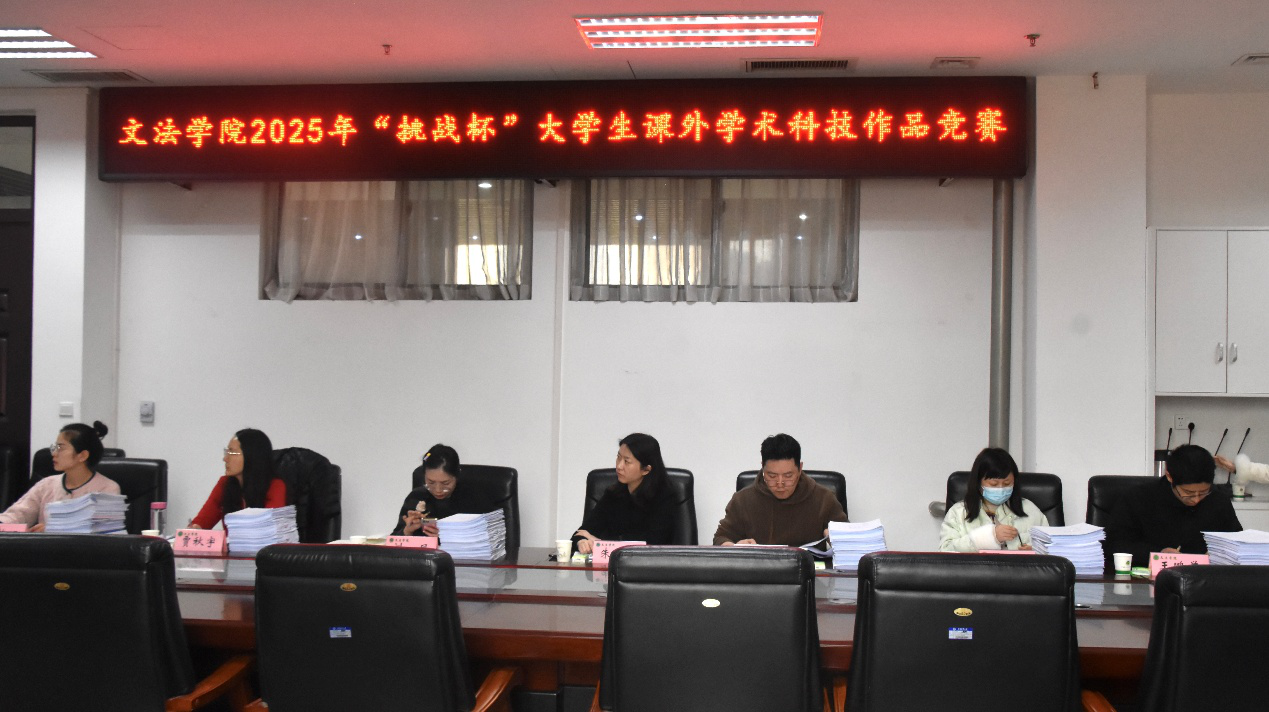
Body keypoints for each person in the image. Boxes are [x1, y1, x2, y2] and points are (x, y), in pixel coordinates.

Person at [1105, 444, 1241, 568]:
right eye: (1189, 493)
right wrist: (1158, 553)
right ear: (1169, 476)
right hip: (1148, 579)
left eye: (1203, 492)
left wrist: (1219, 554)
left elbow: (1238, 544)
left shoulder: (1219, 500)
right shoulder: (1138, 498)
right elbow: (1113, 544)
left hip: (1204, 580)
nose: (1196, 500)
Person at [714, 433, 847, 546]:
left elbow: (849, 541)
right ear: (762, 467)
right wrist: (734, 547)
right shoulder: (743, 500)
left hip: (809, 569)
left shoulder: (824, 499)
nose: (780, 483)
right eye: (772, 476)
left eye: (788, 476)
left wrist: (837, 540)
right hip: (760, 569)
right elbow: (720, 538)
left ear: (800, 468)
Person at [0, 422, 120, 532]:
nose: (54, 453)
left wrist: (54, 529)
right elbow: (18, 514)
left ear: (82, 455)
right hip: (44, 548)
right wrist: (3, 524)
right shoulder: (46, 484)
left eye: (60, 448)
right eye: (55, 447)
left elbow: (105, 533)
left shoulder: (107, 488)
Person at [572, 433, 678, 555]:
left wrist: (601, 543)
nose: (619, 466)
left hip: (650, 565)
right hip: (610, 565)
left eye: (627, 461)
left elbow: (651, 544)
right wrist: (581, 542)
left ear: (646, 469)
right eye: (618, 457)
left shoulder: (665, 498)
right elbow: (581, 533)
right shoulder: (613, 495)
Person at [939, 447, 1048, 551]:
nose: (1001, 488)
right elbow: (945, 550)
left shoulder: (1030, 510)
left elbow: (1051, 547)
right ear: (978, 482)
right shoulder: (958, 513)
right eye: (994, 484)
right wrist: (989, 537)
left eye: (1007, 483)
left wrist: (1037, 552)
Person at [189, 428, 287, 529]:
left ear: (251, 456)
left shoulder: (275, 486)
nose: (225, 459)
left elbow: (269, 529)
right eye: (227, 452)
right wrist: (194, 529)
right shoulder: (224, 484)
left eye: (232, 453)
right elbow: (201, 522)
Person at [392, 444, 499, 537]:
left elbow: (493, 538)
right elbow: (392, 540)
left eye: (445, 483)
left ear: (457, 475)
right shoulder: (416, 497)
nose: (438, 490)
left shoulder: (475, 498)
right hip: (423, 555)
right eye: (431, 482)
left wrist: (447, 537)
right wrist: (407, 531)